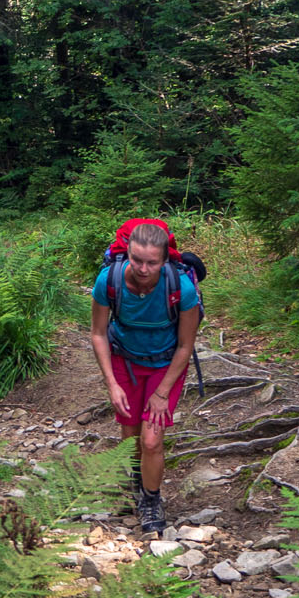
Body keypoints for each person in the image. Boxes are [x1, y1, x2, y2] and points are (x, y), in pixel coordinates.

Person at [90, 222, 201, 535]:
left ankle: (152, 499)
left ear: (164, 260)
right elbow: (98, 333)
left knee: (151, 440)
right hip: (124, 361)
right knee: (130, 436)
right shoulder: (108, 281)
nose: (143, 268)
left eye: (152, 262)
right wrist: (111, 384)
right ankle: (137, 484)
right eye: (137, 260)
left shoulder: (182, 287)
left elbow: (185, 345)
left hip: (166, 365)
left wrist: (163, 393)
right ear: (128, 253)